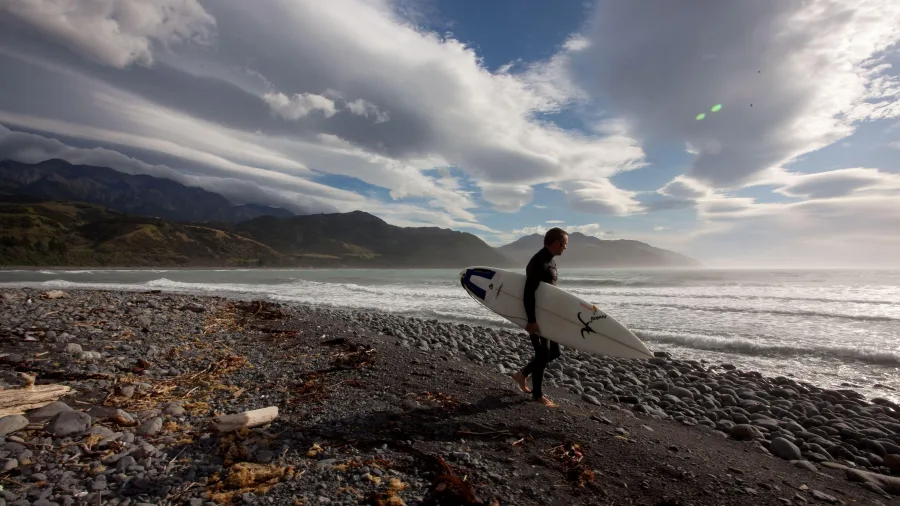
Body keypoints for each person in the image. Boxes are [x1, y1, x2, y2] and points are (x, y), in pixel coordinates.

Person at [511, 227, 568, 407]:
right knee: (543, 353)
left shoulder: (550, 260)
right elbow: (529, 293)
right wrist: (532, 321)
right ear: (556, 243)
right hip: (536, 317)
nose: (566, 247)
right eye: (565, 244)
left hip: (547, 316)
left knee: (555, 352)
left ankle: (521, 375)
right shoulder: (538, 262)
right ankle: (537, 395)